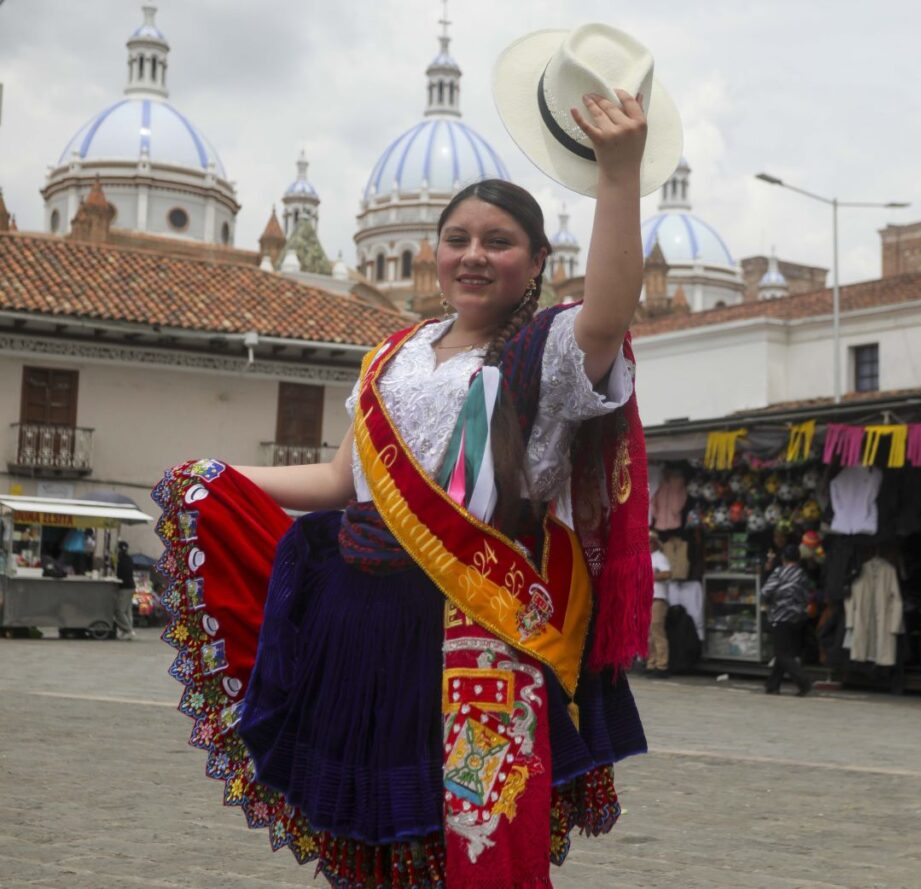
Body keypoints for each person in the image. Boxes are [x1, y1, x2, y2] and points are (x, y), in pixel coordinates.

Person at [151, 25, 683, 889]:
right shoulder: (390, 354)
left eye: (499, 240)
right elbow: (338, 481)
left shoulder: (545, 354)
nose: (474, 254)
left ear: (538, 261)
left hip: (477, 624)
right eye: (458, 238)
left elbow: (610, 311)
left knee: (471, 838)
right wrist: (217, 476)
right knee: (375, 844)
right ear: (432, 254)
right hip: (363, 628)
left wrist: (617, 175)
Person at [761, 543, 813, 696]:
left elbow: (765, 592)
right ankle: (772, 684)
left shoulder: (779, 572)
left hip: (780, 616)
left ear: (783, 557)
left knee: (782, 654)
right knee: (785, 652)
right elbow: (806, 596)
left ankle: (804, 681)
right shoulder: (802, 574)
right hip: (798, 618)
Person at [646, 533, 673, 676]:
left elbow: (667, 574)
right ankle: (651, 663)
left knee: (657, 630)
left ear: (655, 543)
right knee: (649, 633)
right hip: (647, 598)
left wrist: (650, 576)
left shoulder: (660, 558)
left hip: (658, 598)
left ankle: (662, 664)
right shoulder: (647, 558)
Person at [113, 540, 136, 640]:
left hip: (125, 588)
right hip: (131, 586)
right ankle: (125, 631)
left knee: (119, 610)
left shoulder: (121, 559)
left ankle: (128, 630)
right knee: (127, 611)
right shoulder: (129, 559)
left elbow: (119, 574)